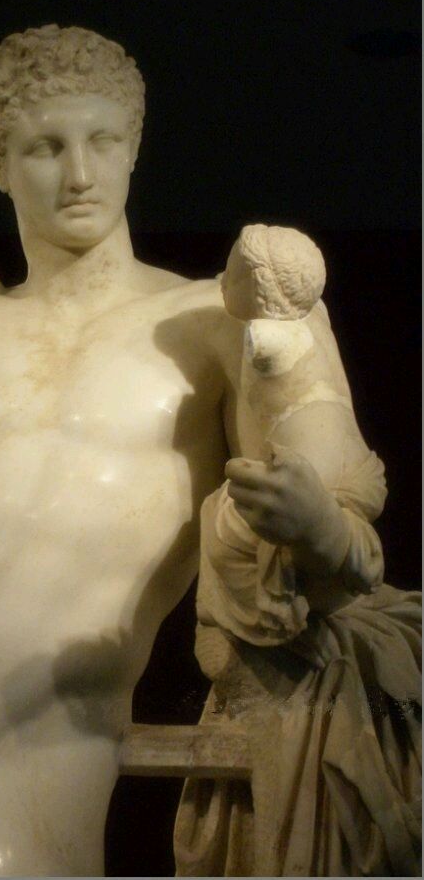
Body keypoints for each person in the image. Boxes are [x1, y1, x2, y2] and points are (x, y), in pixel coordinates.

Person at [0, 25, 406, 877]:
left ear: (134, 146)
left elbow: (343, 539)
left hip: (44, 732)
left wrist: (316, 523)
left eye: (102, 140)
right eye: (44, 147)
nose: (79, 174)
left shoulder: (217, 320)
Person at [174, 224, 421, 876]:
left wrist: (321, 529)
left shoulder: (268, 341)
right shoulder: (305, 317)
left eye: (235, 273)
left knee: (240, 523)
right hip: (316, 528)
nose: (223, 282)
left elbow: (347, 565)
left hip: (307, 531)